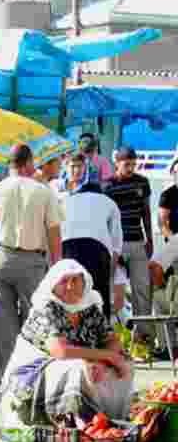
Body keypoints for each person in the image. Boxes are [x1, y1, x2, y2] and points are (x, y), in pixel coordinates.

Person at [1, 260, 132, 427]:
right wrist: (107, 356)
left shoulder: (89, 306)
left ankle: (110, 419)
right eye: (64, 281)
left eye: (75, 280)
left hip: (78, 362)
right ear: (53, 285)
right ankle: (77, 423)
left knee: (125, 362)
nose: (70, 286)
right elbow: (60, 351)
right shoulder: (46, 308)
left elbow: (111, 340)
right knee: (78, 368)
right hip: (34, 373)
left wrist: (103, 361)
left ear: (84, 283)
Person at [0, 143, 63, 377]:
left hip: (0, 257)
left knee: (3, 327)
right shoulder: (44, 191)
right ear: (28, 163)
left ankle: (8, 380)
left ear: (10, 165)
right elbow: (54, 232)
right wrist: (56, 266)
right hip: (33, 262)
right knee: (35, 322)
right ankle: (31, 377)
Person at [104, 146, 153, 348]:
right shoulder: (108, 186)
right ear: (117, 163)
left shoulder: (143, 182)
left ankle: (143, 339)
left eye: (133, 164)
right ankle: (114, 338)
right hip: (115, 245)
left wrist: (149, 238)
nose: (131, 167)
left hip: (137, 241)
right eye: (127, 164)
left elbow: (146, 211)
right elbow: (105, 218)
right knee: (113, 293)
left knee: (142, 290)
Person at [61, 180, 123, 317]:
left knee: (71, 300)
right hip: (95, 249)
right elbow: (116, 246)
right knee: (99, 299)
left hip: (66, 248)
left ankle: (71, 336)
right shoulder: (108, 201)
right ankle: (101, 334)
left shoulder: (67, 201)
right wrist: (110, 277)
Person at [158, 152, 178, 241]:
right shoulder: (167, 195)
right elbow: (162, 223)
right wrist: (173, 239)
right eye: (175, 172)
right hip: (174, 241)